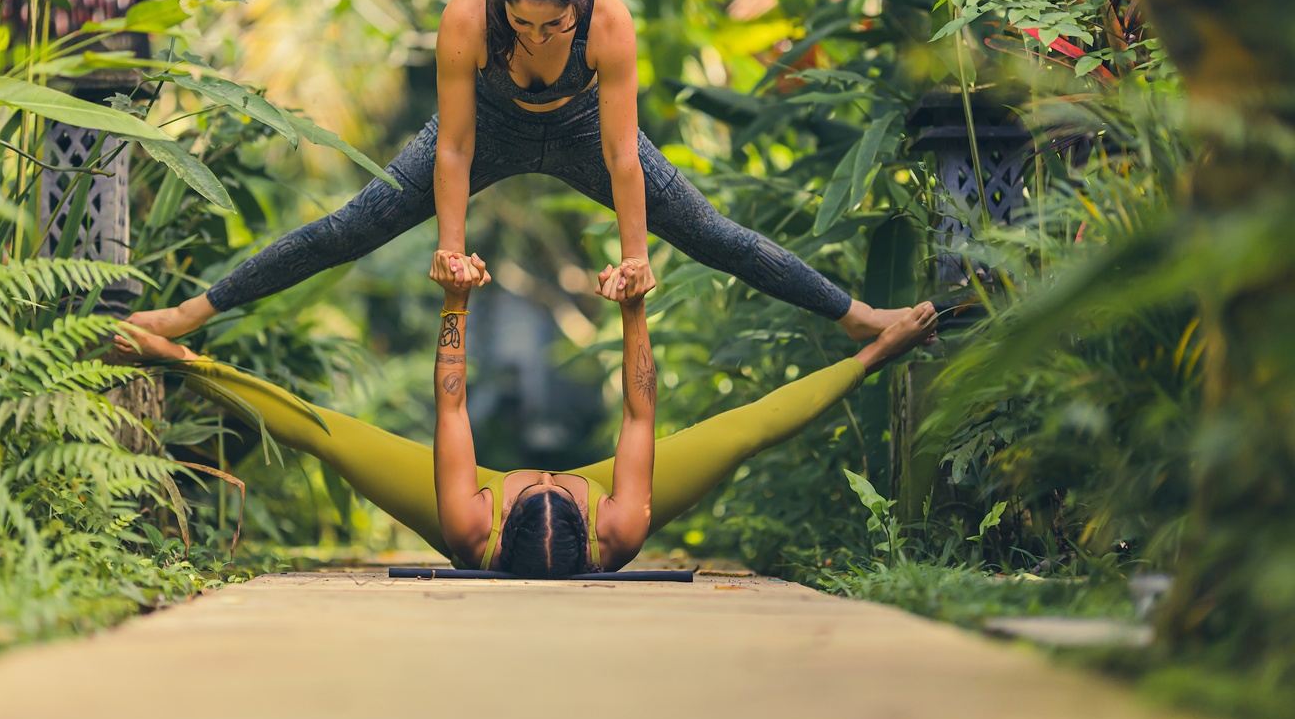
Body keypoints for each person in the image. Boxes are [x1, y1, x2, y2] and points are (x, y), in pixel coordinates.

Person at [119, 0, 912, 352]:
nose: (536, 37)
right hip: (490, 129)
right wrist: (452, 248)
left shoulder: (609, 21)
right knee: (349, 225)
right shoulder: (469, 13)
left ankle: (860, 318)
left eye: (553, 23)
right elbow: (456, 147)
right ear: (503, 3)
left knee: (711, 232)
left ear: (577, 4)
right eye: (522, 22)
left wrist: (637, 258)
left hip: (580, 131)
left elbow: (622, 155)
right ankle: (186, 317)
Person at [119, 255, 939, 577]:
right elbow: (642, 414)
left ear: (499, 514)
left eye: (539, 487)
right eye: (553, 486)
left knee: (324, 434)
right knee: (745, 432)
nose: (548, 477)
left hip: (469, 488)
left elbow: (450, 399)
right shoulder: (620, 519)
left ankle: (175, 356)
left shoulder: (465, 516)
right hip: (575, 503)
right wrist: (633, 313)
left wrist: (454, 305)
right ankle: (877, 349)